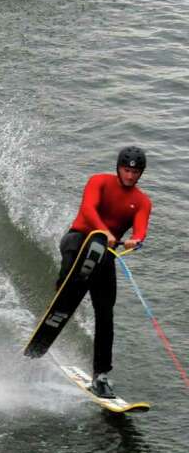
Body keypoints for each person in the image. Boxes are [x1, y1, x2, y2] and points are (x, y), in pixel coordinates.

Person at [57, 146, 151, 397]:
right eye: (126, 170)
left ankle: (101, 375)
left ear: (141, 173)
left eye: (135, 172)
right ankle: (63, 291)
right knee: (72, 247)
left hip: (106, 256)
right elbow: (88, 209)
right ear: (118, 168)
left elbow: (140, 228)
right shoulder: (98, 181)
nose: (130, 176)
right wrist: (105, 232)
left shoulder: (142, 201)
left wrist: (136, 239)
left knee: (106, 313)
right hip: (80, 239)